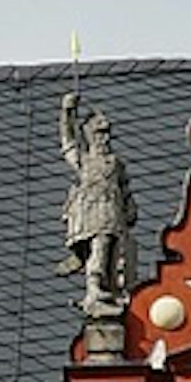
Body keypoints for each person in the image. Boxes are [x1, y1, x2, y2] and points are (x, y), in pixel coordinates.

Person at [56, 92, 136, 316]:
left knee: (113, 251)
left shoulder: (116, 162)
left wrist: (130, 207)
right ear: (90, 134)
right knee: (99, 247)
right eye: (100, 132)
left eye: (107, 132)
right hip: (91, 209)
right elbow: (68, 141)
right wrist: (68, 112)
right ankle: (94, 289)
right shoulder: (84, 159)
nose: (106, 138)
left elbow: (125, 187)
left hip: (112, 208)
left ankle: (109, 289)